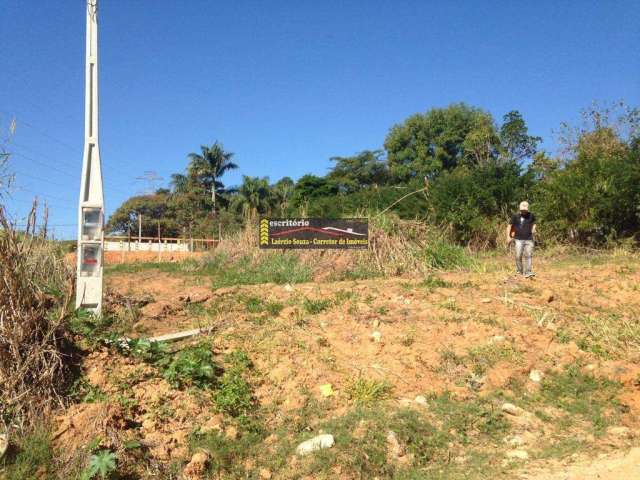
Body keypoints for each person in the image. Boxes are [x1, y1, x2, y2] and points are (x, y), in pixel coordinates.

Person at [507, 201, 536, 278]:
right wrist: (508, 237)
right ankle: (519, 271)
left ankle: (528, 272)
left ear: (527, 209)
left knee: (528, 255)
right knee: (518, 255)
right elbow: (509, 226)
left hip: (529, 239)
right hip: (518, 239)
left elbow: (534, 223)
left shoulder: (531, 215)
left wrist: (533, 228)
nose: (523, 211)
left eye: (525, 209)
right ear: (520, 209)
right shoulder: (515, 216)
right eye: (522, 209)